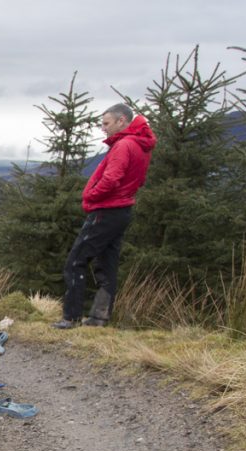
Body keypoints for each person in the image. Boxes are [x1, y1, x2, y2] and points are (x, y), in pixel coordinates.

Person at [53, 103, 157, 329]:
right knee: (107, 263)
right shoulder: (140, 145)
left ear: (122, 121)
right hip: (122, 210)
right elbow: (137, 179)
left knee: (76, 261)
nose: (103, 128)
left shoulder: (124, 145)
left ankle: (71, 317)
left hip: (107, 209)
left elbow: (112, 179)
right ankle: (100, 317)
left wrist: (90, 195)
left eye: (106, 123)